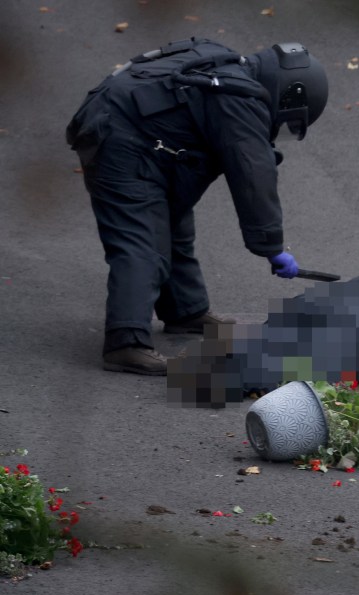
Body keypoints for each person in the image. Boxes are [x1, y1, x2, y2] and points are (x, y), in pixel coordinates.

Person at [66, 38, 328, 375]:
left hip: (133, 132)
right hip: (117, 139)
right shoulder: (240, 98)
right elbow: (253, 173)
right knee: (141, 242)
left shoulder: (229, 72)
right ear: (288, 94)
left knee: (173, 224)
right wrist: (272, 247)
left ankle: (184, 310)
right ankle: (126, 342)